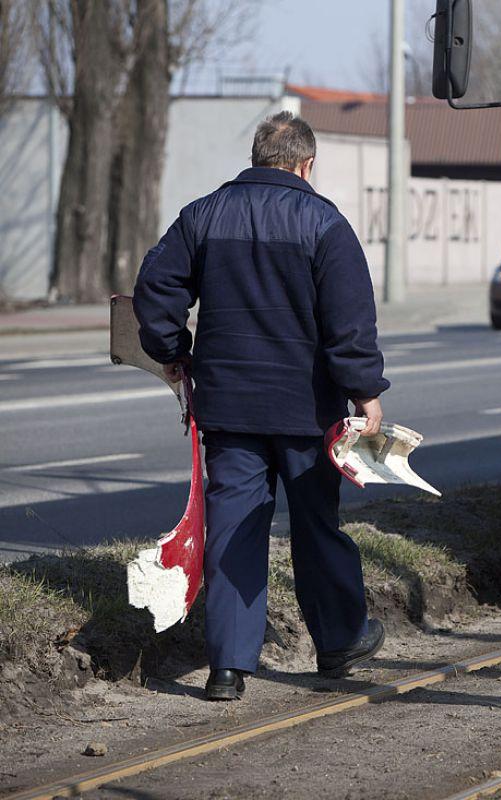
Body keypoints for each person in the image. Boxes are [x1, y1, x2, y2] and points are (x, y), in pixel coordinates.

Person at [134, 111, 389, 701]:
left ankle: (227, 668)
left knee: (233, 531)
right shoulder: (326, 223)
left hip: (229, 410)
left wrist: (172, 351)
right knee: (317, 525)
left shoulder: (203, 215)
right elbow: (349, 322)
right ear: (307, 164)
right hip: (307, 412)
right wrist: (365, 392)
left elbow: (155, 289)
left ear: (255, 158)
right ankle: (340, 641)